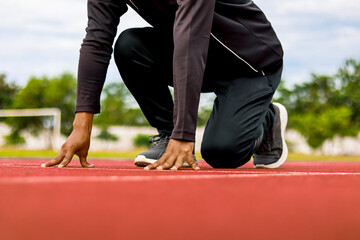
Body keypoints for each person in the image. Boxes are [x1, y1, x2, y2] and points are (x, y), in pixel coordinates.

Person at [42, 0, 288, 171]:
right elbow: (97, 39)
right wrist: (81, 126)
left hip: (251, 64)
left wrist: (185, 135)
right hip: (199, 59)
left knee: (221, 153)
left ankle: (267, 119)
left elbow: (190, 36)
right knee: (130, 46)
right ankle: (166, 132)